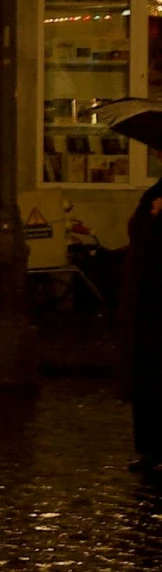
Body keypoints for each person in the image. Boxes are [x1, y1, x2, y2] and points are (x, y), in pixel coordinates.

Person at [125, 175, 162, 474]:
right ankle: (149, 448)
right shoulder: (155, 193)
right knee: (149, 377)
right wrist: (150, 218)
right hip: (151, 301)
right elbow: (137, 234)